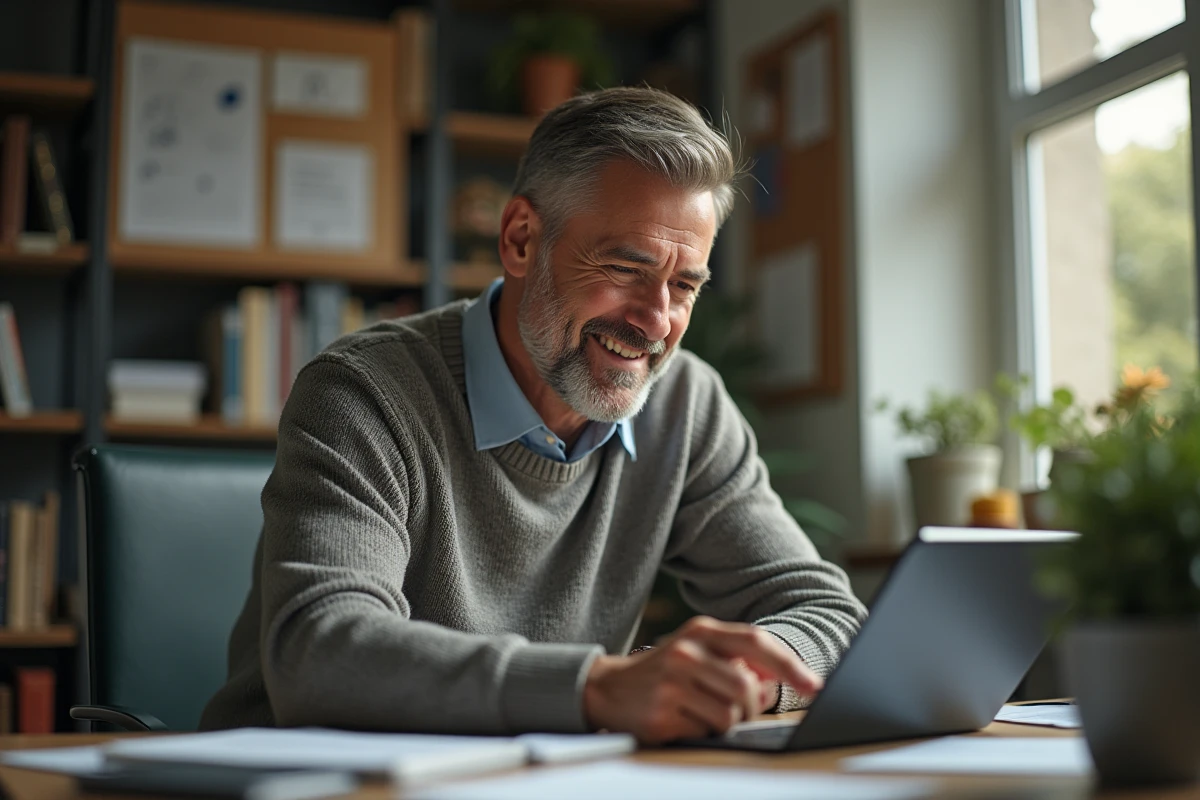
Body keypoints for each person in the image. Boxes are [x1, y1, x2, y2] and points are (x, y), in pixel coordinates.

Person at [200, 86, 867, 744]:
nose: (657, 320)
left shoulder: (687, 406)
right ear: (521, 239)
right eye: (624, 268)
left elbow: (830, 615)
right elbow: (319, 655)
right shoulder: (364, 394)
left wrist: (738, 679)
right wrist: (597, 689)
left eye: (684, 284)